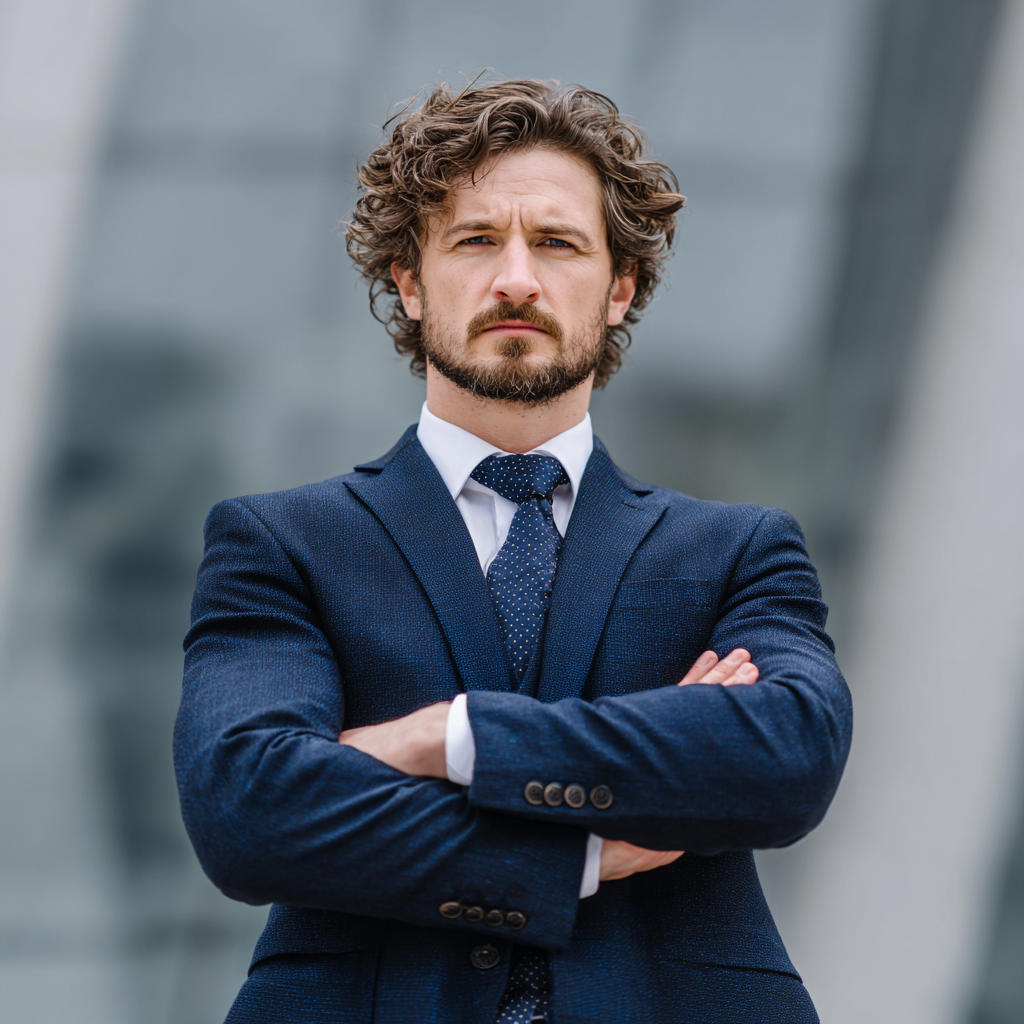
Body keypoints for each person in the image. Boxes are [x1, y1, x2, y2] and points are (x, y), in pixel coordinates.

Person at [174, 79, 851, 1024]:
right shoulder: (280, 544)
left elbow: (785, 755)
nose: (518, 280)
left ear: (620, 289)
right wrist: (583, 855)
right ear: (410, 281)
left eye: (559, 243)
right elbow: (249, 807)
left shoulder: (738, 550)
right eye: (477, 239)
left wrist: (442, 738)